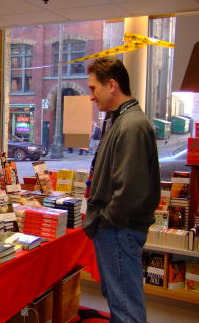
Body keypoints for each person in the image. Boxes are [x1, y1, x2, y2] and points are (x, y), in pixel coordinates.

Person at [83, 57, 160, 323]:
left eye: (94, 88)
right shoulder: (121, 121)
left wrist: (106, 220)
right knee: (121, 302)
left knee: (126, 309)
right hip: (116, 229)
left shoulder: (130, 125)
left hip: (119, 229)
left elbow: (129, 188)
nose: (92, 96)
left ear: (112, 85)